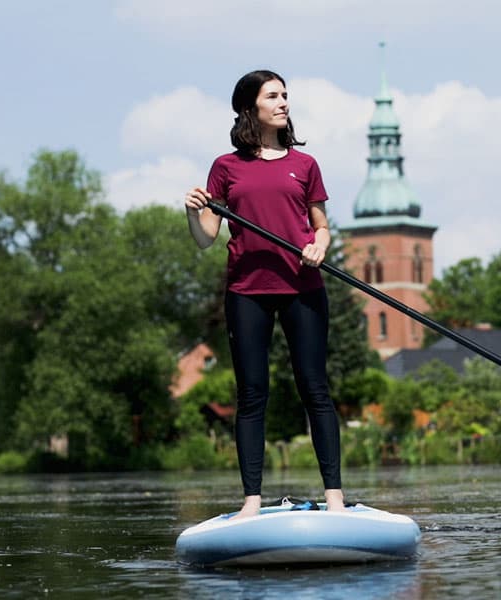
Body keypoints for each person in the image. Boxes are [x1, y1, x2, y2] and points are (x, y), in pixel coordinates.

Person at [184, 70, 346, 518]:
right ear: (250, 106)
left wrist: (319, 246)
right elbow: (205, 238)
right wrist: (192, 212)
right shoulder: (226, 168)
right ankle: (251, 503)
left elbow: (321, 226)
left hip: (302, 286)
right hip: (247, 292)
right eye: (273, 95)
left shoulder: (304, 165)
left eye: (285, 95)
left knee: (315, 389)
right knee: (252, 394)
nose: (283, 102)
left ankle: (335, 499)